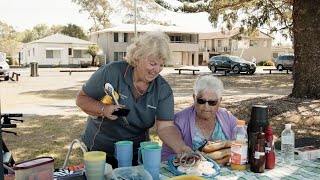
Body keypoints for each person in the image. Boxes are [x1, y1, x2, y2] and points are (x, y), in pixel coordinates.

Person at [76, 31, 192, 168]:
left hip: (136, 152)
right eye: (153, 63)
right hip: (101, 148)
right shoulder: (111, 72)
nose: (157, 70)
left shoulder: (163, 90)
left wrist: (181, 148)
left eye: (162, 65)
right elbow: (81, 99)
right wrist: (104, 109)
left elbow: (166, 127)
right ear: (137, 59)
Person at [161, 75, 238, 161]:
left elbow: (245, 140)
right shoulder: (179, 120)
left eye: (212, 102)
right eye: (201, 101)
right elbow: (166, 157)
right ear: (194, 98)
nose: (206, 107)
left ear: (220, 101)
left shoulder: (227, 117)